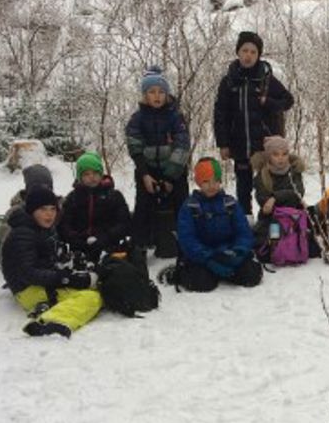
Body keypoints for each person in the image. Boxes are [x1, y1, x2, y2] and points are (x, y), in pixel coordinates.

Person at [0, 187, 102, 337]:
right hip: (28, 289)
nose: (49, 214)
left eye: (53, 209)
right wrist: (66, 278)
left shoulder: (42, 228)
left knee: (93, 291)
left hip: (42, 283)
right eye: (43, 209)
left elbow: (47, 259)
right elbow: (27, 273)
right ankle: (50, 322)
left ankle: (49, 309)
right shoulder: (22, 234)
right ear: (32, 210)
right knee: (90, 298)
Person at [213, 31, 295, 216]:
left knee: (267, 186)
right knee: (243, 188)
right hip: (239, 144)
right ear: (238, 52)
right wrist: (223, 143)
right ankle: (246, 224)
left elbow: (288, 101)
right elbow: (220, 114)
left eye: (253, 52)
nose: (248, 55)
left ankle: (271, 224)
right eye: (245, 50)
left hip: (265, 146)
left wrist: (269, 103)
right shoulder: (229, 81)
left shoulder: (266, 79)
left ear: (258, 55)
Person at [126, 68, 191, 253]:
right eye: (152, 92)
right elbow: (135, 148)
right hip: (148, 170)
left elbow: (182, 146)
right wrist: (145, 175)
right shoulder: (137, 119)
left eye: (161, 92)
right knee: (143, 205)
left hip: (174, 170)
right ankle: (139, 245)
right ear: (145, 94)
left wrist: (170, 178)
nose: (157, 96)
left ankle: (185, 243)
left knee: (182, 205)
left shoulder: (175, 117)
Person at [175, 157, 263, 290]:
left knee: (251, 275)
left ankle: (226, 271)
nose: (212, 186)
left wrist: (238, 251)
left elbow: (244, 231)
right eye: (206, 181)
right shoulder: (190, 206)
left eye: (216, 181)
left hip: (229, 252)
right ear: (198, 182)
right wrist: (208, 258)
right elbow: (187, 238)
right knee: (202, 283)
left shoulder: (230, 203)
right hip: (204, 256)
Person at [58, 153, 133, 264]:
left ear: (101, 174)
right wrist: (76, 239)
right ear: (80, 177)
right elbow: (64, 225)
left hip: (109, 247)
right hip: (80, 250)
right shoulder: (72, 198)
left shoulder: (114, 196)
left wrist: (106, 237)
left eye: (95, 173)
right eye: (87, 174)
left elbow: (124, 223)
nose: (91, 177)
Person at [251, 135, 314, 258]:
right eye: (276, 154)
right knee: (267, 244)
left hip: (294, 215)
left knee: (312, 229)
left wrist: (275, 197)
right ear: (269, 155)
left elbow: (298, 193)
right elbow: (263, 199)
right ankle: (278, 249)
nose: (281, 158)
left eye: (284, 154)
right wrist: (284, 196)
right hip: (272, 217)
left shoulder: (294, 171)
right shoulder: (262, 174)